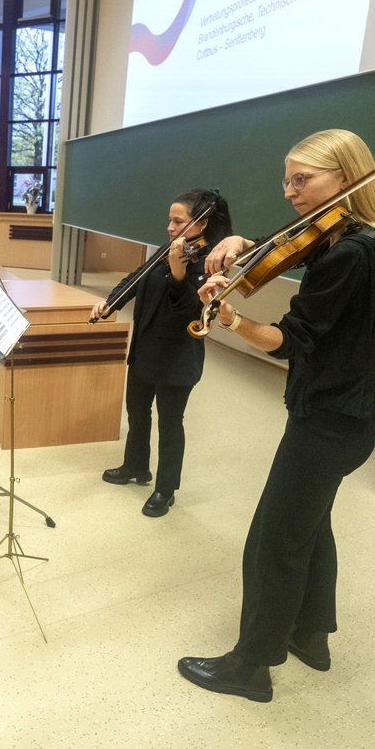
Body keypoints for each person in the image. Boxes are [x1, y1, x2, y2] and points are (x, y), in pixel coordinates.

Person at [177, 129, 375, 703]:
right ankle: (312, 635)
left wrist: (231, 320)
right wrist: (240, 241)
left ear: (344, 176)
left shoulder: (350, 255)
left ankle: (250, 667)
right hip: (352, 421)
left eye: (301, 179)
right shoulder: (367, 239)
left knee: (273, 542)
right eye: (287, 179)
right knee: (312, 528)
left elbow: (288, 341)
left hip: (324, 422)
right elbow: (288, 243)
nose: (290, 191)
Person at [88, 189, 232, 517]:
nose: (169, 226)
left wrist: (178, 273)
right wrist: (111, 302)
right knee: (137, 414)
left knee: (170, 425)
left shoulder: (212, 263)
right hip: (145, 348)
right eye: (169, 219)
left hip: (178, 358)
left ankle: (166, 490)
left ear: (203, 222)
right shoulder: (170, 249)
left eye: (177, 220)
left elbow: (191, 313)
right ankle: (136, 467)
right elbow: (135, 280)